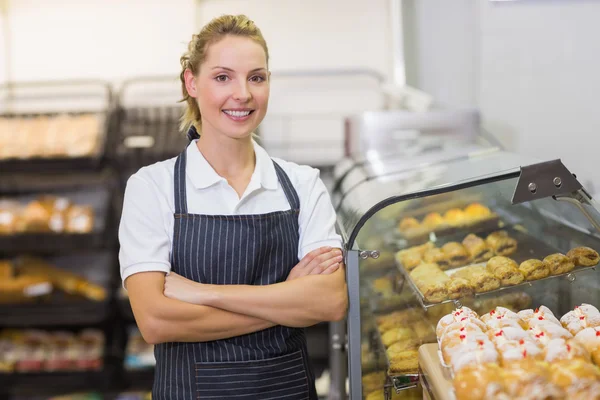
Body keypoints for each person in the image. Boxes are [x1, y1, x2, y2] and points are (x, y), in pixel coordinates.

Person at [118, 14, 348, 400]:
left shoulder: (301, 184)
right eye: (222, 77)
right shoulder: (152, 187)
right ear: (191, 83)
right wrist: (284, 298)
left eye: (256, 77)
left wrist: (207, 294)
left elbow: (330, 301)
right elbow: (155, 321)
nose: (242, 93)